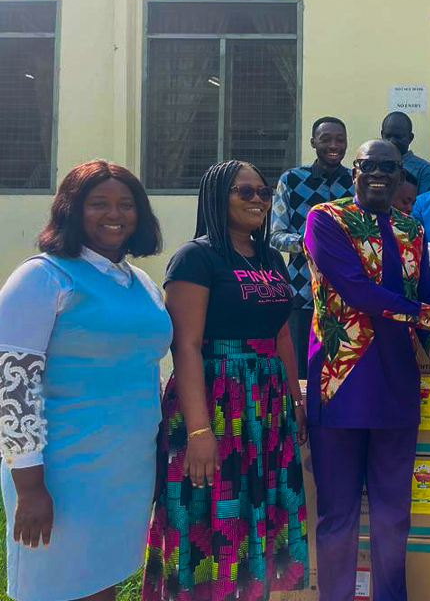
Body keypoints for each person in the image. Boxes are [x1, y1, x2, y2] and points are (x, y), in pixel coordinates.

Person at [304, 140, 430, 601]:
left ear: (402, 175)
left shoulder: (411, 228)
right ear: (353, 171)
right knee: (338, 514)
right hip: (341, 382)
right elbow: (360, 294)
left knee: (393, 514)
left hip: (398, 385)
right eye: (367, 165)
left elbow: (423, 293)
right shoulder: (326, 220)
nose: (377, 173)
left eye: (388, 167)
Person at [0, 160, 170, 601]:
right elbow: (14, 387)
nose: (114, 214)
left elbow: (145, 367)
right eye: (98, 204)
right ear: (71, 210)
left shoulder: (142, 283)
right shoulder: (43, 276)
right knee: (55, 583)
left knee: (103, 579)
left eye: (126, 205)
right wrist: (30, 487)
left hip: (127, 467)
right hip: (62, 471)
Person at [144, 160, 309, 601]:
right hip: (216, 398)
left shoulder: (272, 257)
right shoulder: (196, 257)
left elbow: (280, 335)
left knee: (259, 507)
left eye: (263, 191)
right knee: (208, 512)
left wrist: (295, 401)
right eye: (245, 192)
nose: (259, 199)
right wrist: (199, 430)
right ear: (218, 199)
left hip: (267, 401)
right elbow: (187, 346)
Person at [272, 116, 353, 373]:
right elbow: (276, 236)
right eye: (326, 139)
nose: (334, 145)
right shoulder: (292, 180)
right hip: (302, 294)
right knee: (301, 372)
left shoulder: (355, 181)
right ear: (313, 142)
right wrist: (312, 244)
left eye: (340, 140)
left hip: (347, 296)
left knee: (341, 371)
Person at [381, 110, 430, 194]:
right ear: (382, 135)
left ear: (410, 138)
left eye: (398, 137)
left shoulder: (424, 170)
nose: (392, 141)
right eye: (388, 136)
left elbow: (426, 204)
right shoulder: (372, 165)